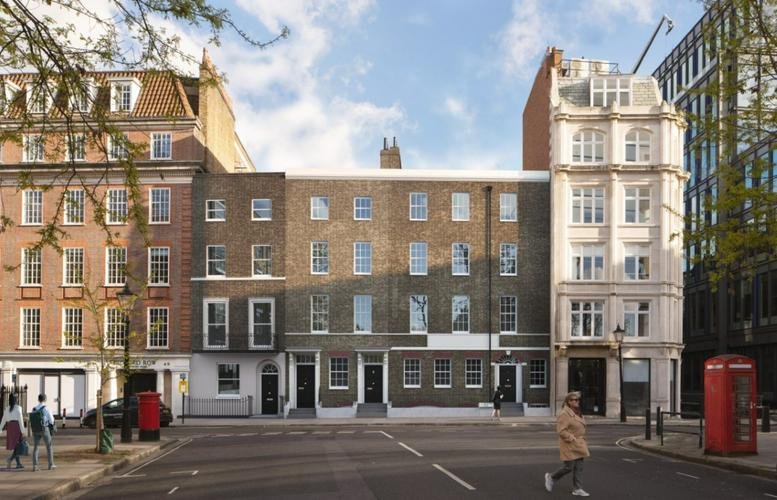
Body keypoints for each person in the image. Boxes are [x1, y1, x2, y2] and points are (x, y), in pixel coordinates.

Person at [544, 391, 590, 497]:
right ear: (568, 401)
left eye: (577, 400)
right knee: (569, 467)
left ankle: (578, 489)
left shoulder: (577, 411)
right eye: (574, 400)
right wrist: (571, 438)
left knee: (579, 467)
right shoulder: (564, 414)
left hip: (579, 443)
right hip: (569, 443)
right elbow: (561, 430)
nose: (576, 401)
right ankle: (551, 477)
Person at [0, 394, 27, 469]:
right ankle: (10, 459)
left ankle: (18, 463)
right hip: (16, 427)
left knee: (16, 446)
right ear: (16, 400)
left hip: (10, 428)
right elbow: (20, 420)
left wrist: (0, 429)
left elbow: (3, 420)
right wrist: (23, 431)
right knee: (18, 446)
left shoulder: (7, 409)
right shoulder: (18, 408)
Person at [31, 393, 56, 471]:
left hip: (36, 429)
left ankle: (35, 466)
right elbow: (51, 420)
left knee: (36, 447)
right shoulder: (46, 408)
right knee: (49, 446)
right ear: (45, 399)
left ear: (38, 400)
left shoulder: (34, 408)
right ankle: (51, 465)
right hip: (44, 429)